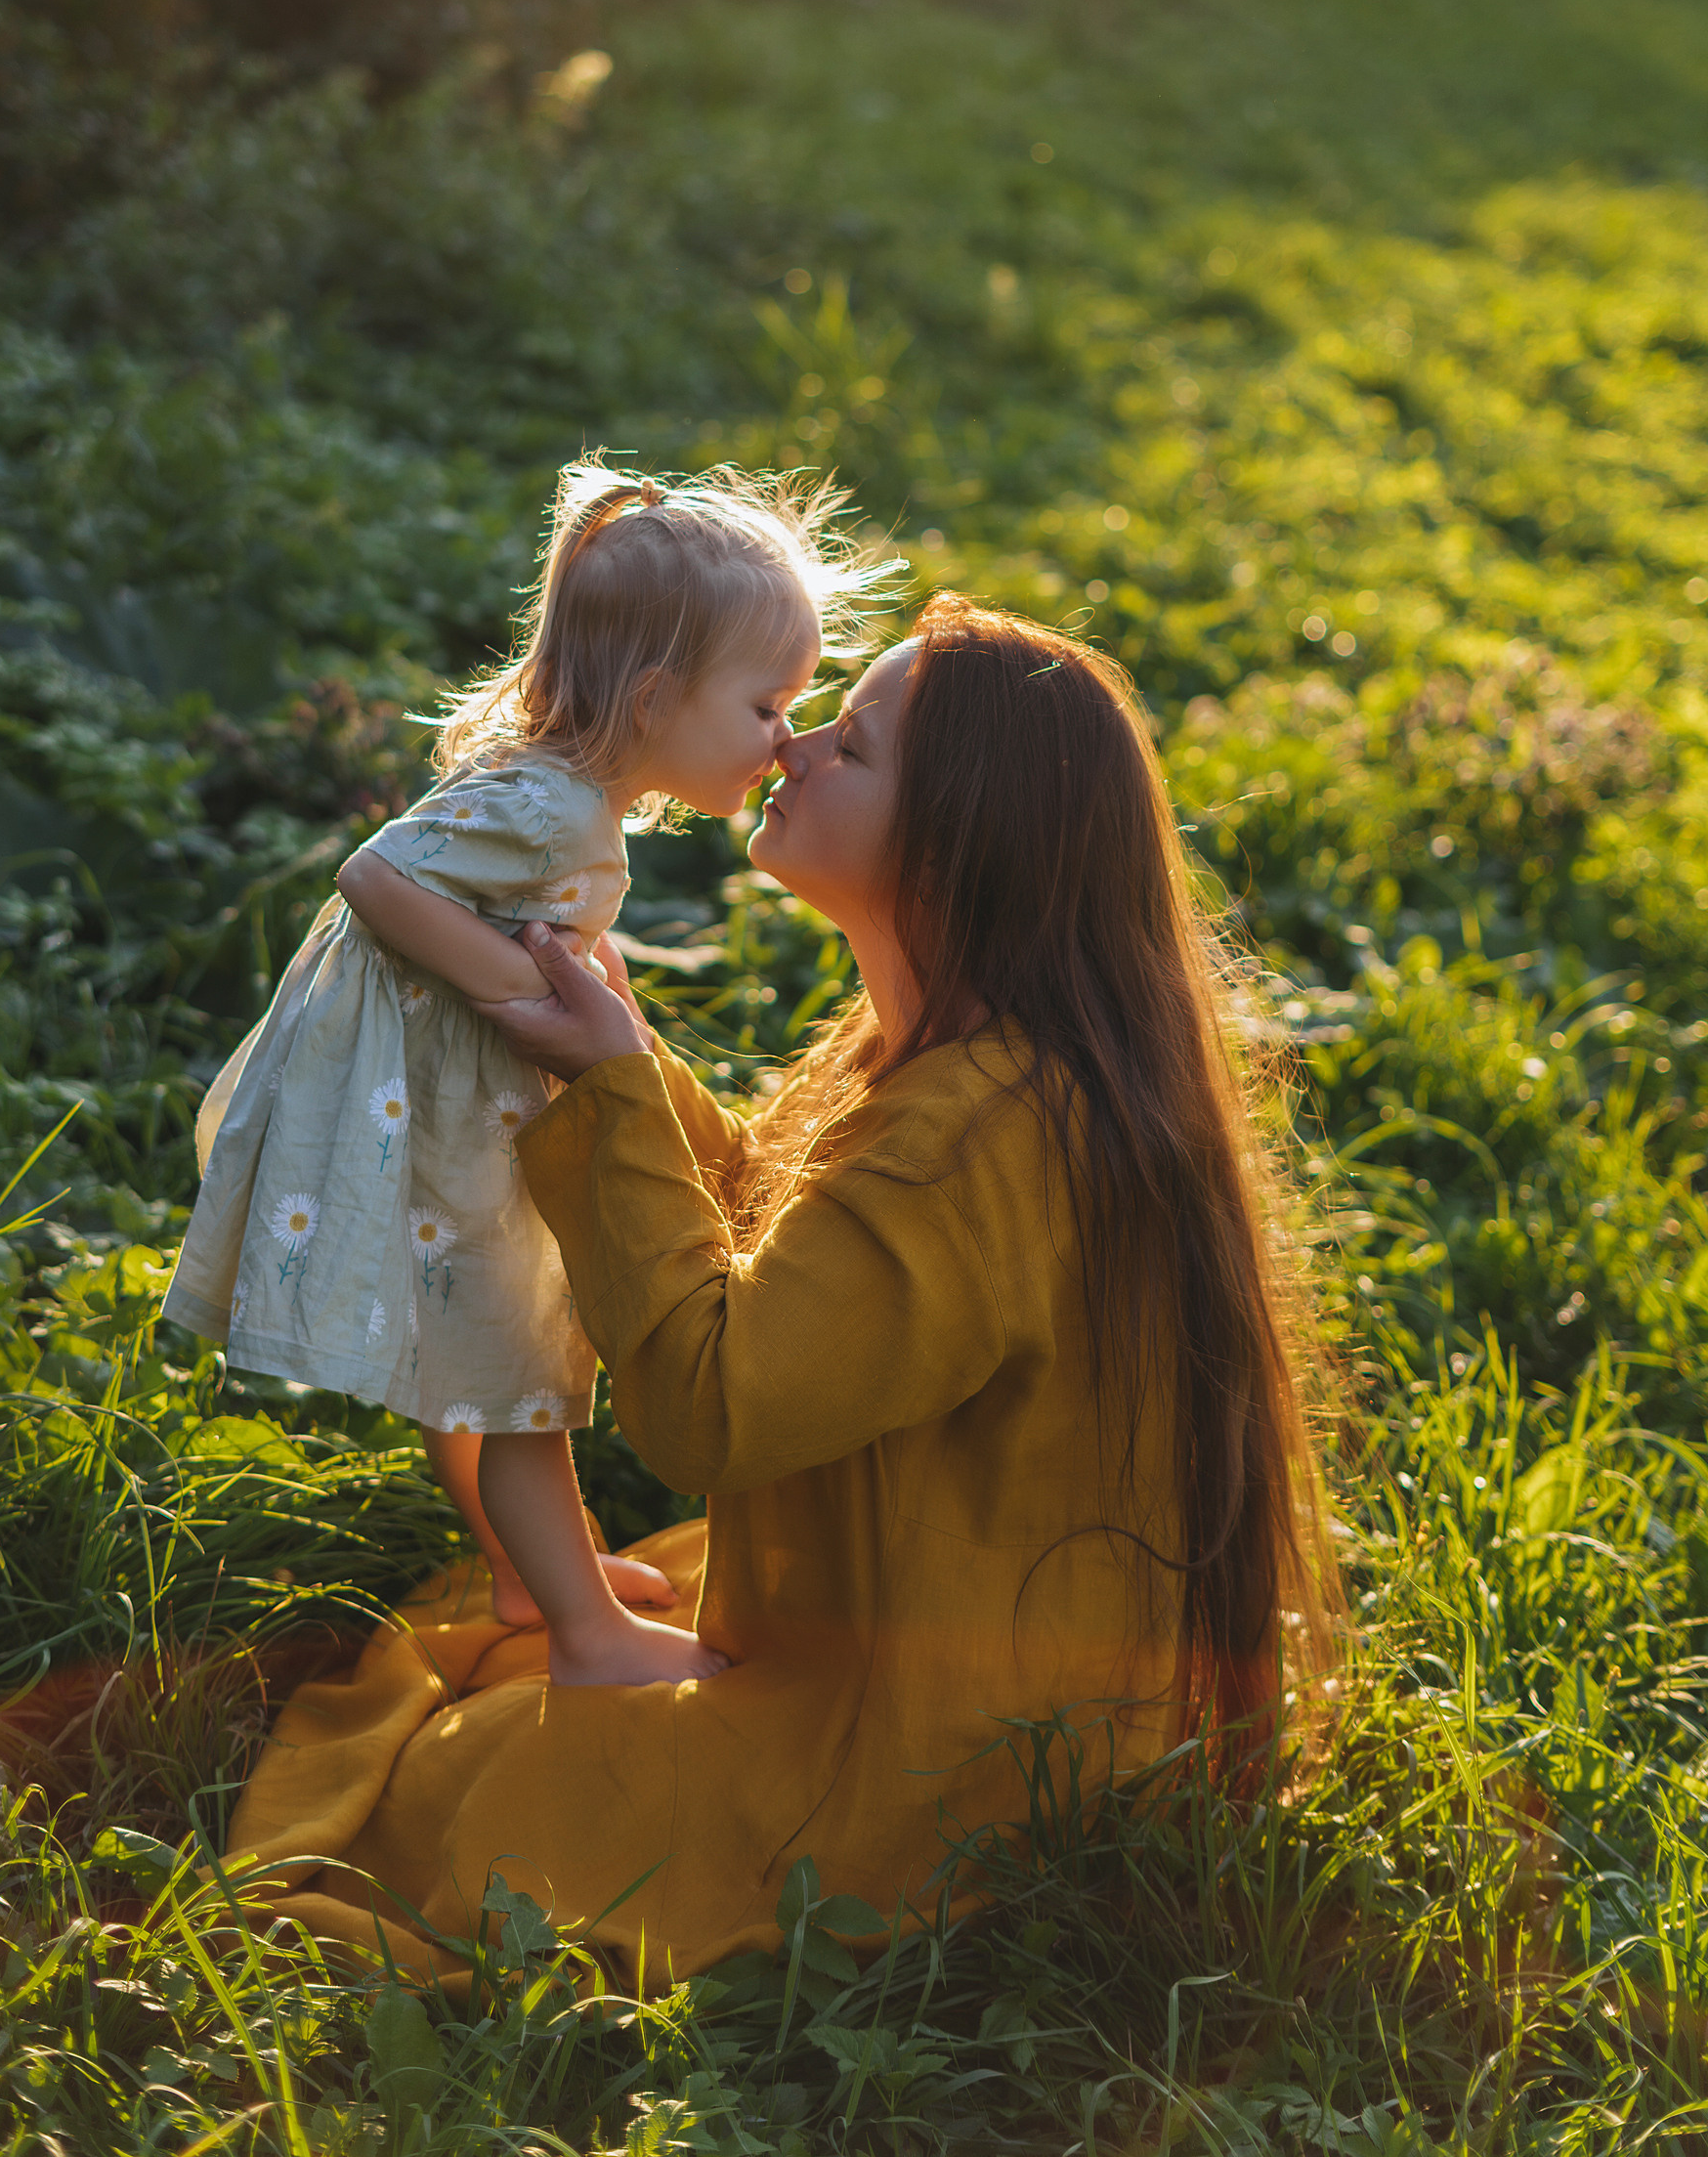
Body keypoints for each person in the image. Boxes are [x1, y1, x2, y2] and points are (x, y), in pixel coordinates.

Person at [220, 594, 1335, 1989]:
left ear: (954, 844)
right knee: (526, 1667)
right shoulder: (960, 1056)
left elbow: (716, 1408)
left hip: (944, 1760)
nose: (794, 747)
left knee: (478, 1797)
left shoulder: (978, 1137)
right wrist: (618, 1060)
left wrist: (614, 1090)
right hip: (945, 1648)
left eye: (851, 746)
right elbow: (789, 1235)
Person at [162, 461, 893, 1687]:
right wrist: (515, 987)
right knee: (518, 1386)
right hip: (453, 1115)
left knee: (474, 1363)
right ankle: (585, 1634)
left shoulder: (559, 801)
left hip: (447, 1106)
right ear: (655, 699)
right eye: (768, 706)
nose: (784, 741)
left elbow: (478, 901)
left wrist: (574, 966)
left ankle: (526, 1569)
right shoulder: (553, 809)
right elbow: (374, 877)